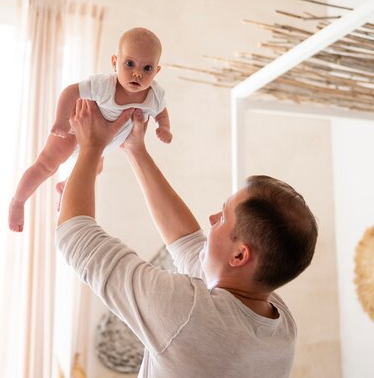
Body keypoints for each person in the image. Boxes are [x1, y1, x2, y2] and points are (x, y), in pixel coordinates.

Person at [56, 99, 318, 378]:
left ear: (240, 255)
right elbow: (187, 242)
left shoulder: (187, 312)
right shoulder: (279, 325)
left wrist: (92, 146)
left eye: (223, 217)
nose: (211, 219)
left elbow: (75, 236)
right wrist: (135, 149)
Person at [9, 27, 171, 232]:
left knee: (96, 169)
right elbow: (71, 91)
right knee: (47, 165)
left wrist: (164, 126)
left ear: (157, 71)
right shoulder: (104, 85)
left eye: (147, 68)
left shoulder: (155, 95)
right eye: (129, 64)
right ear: (114, 63)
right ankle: (18, 201)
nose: (137, 73)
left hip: (105, 143)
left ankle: (65, 186)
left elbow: (162, 112)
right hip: (74, 131)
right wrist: (61, 120)